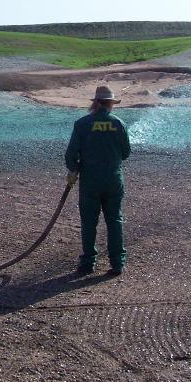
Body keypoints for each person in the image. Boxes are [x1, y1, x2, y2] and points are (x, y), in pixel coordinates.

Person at [64, 85, 131, 276]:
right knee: (115, 220)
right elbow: (126, 153)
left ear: (95, 103)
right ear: (110, 104)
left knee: (88, 222)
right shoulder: (119, 124)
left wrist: (74, 170)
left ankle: (88, 263)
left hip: (90, 181)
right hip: (113, 179)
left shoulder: (82, 124)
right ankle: (118, 263)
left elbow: (71, 154)